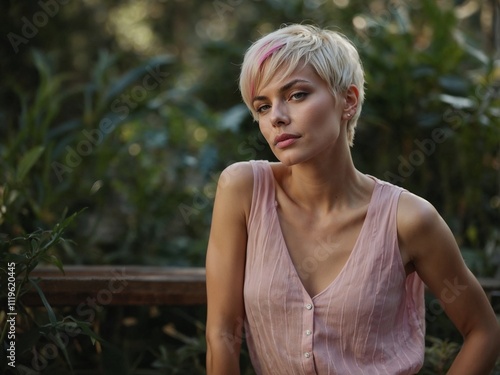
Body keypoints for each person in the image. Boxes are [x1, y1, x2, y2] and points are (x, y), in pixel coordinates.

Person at [205, 23, 500, 375]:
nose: (277, 118)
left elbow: (484, 330)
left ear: (348, 100)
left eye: (296, 94)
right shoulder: (243, 190)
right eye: (263, 106)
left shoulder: (409, 220)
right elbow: (222, 333)